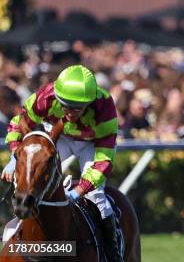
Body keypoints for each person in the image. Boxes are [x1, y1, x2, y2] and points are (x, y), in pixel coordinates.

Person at [1, 65, 122, 262]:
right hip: (60, 138)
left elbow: (103, 160)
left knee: (98, 196)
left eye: (78, 108)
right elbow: (18, 125)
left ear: (90, 102)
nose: (71, 113)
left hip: (90, 144)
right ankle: (12, 235)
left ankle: (112, 253)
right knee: (30, 181)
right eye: (65, 105)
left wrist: (78, 191)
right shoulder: (45, 97)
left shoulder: (105, 106)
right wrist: (15, 158)